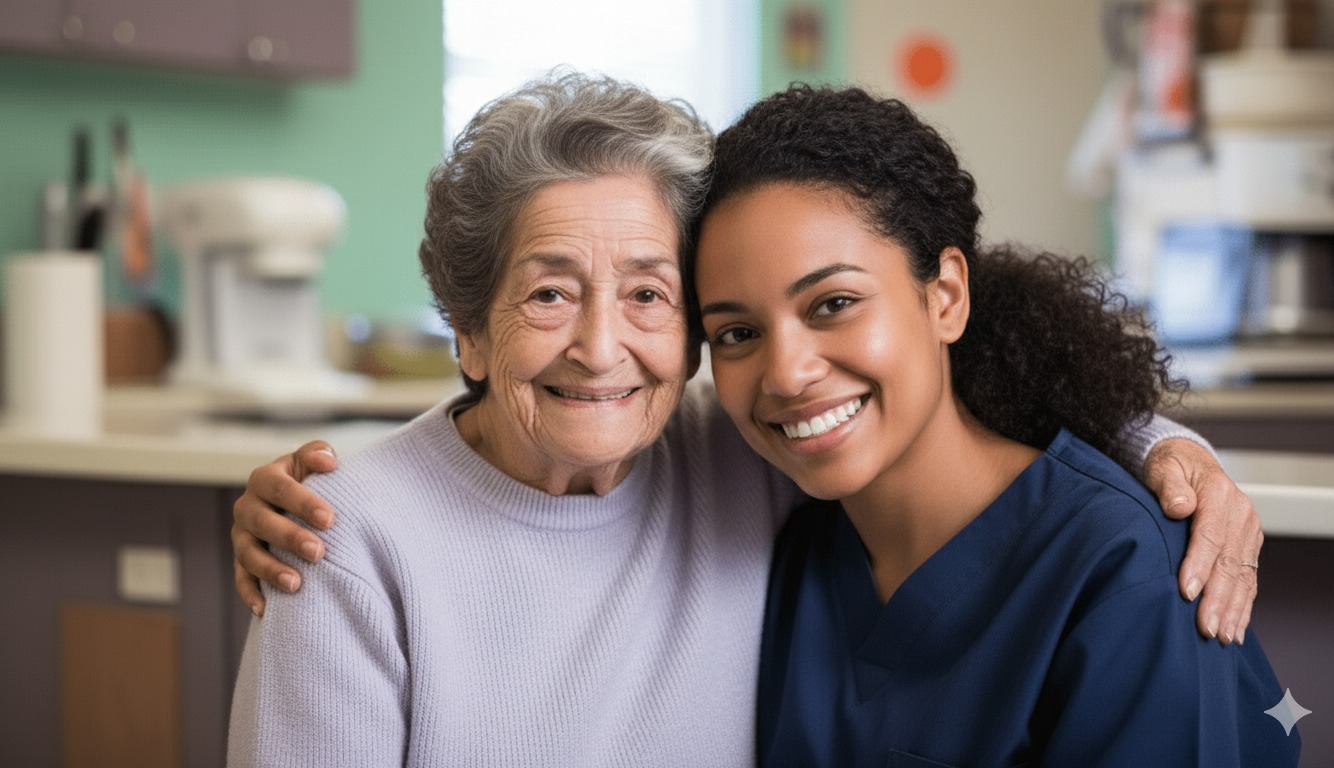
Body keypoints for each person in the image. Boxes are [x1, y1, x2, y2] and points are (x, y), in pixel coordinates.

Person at [227, 72, 1262, 766]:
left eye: (648, 294)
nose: (600, 345)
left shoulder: (749, 455)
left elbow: (962, 391)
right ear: (468, 328)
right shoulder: (339, 542)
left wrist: (1159, 442)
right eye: (547, 294)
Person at [691, 85, 1295, 766]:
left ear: (945, 297)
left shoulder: (1120, 569)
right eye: (737, 332)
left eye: (833, 303)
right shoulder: (798, 552)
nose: (785, 373)